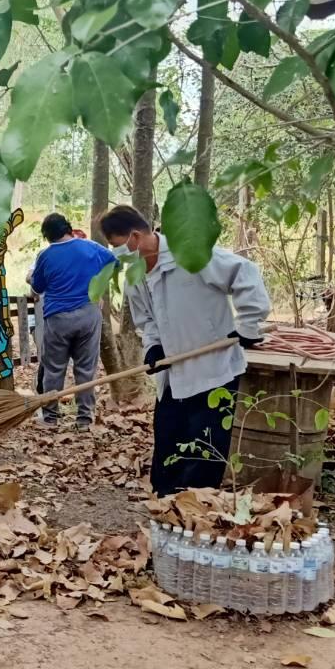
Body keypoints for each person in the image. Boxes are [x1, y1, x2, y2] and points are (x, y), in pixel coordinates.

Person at [99, 204, 271, 495]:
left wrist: (248, 325)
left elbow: (245, 272)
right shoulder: (136, 276)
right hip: (173, 378)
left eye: (117, 244)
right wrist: (154, 347)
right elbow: (147, 320)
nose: (117, 252)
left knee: (204, 451)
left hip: (214, 372)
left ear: (135, 236)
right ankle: (166, 505)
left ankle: (197, 510)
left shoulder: (192, 255)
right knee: (168, 449)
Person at [28, 212, 116, 428]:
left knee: (54, 369)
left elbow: (37, 286)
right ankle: (84, 419)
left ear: (48, 235)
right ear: (68, 228)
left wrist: (31, 278)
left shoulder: (46, 255)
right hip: (88, 314)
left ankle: (50, 417)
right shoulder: (92, 247)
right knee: (86, 368)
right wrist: (98, 290)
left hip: (58, 318)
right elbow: (114, 263)